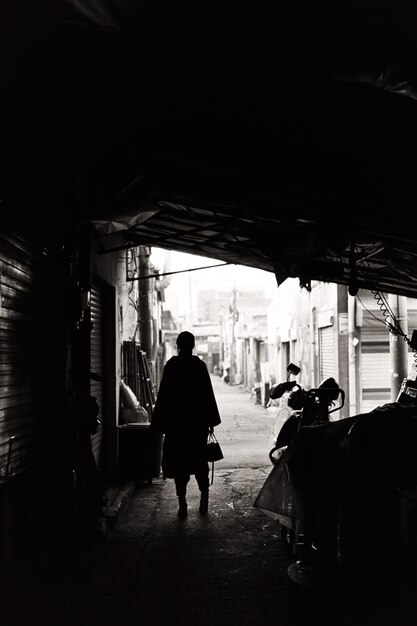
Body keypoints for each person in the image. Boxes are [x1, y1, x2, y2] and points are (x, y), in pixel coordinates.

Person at [150, 331, 221, 518]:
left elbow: (164, 396)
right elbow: (207, 395)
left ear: (178, 346)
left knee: (180, 463)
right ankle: (204, 497)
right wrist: (210, 421)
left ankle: (182, 504)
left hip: (176, 425)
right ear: (193, 346)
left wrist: (160, 423)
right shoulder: (199, 366)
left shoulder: (172, 366)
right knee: (199, 461)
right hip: (196, 425)